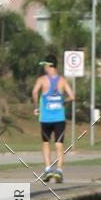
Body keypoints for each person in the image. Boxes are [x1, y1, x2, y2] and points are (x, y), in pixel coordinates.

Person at [32, 54, 74, 184]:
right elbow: (72, 96)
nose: (44, 67)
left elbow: (34, 92)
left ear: (50, 65)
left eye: (45, 65)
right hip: (59, 118)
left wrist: (36, 106)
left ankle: (48, 168)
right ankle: (59, 171)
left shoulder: (42, 80)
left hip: (45, 118)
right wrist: (63, 101)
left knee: (46, 143)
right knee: (59, 144)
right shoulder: (62, 80)